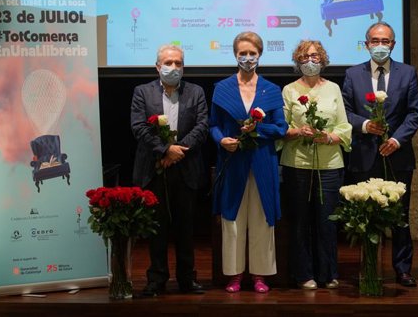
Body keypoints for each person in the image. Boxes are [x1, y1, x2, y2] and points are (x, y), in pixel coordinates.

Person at [342, 22, 418, 287]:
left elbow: (414, 112)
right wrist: (365, 125)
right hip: (364, 155)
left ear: (393, 44)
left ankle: (402, 269)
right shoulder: (353, 74)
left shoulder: (408, 73)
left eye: (385, 41)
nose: (380, 45)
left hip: (398, 156)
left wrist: (397, 140)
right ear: (366, 44)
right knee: (365, 215)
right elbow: (345, 111)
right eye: (375, 40)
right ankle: (369, 267)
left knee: (399, 216)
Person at [210, 31, 288, 293]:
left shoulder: (272, 89)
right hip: (232, 161)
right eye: (242, 53)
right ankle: (233, 275)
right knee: (232, 218)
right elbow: (214, 126)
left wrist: (256, 131)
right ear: (235, 55)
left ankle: (260, 275)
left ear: (260, 55)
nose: (247, 58)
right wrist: (222, 141)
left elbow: (280, 127)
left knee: (262, 218)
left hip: (262, 161)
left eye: (252, 53)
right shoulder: (222, 88)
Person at [131, 44, 209, 296]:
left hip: (186, 169)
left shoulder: (196, 92)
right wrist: (165, 150)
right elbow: (139, 128)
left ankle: (187, 279)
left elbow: (202, 126)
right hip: (153, 169)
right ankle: (156, 280)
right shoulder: (142, 92)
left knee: (186, 228)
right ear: (157, 66)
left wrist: (176, 152)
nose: (173, 67)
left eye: (178, 63)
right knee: (157, 228)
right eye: (168, 63)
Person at [280, 40, 352, 290]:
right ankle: (303, 274)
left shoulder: (333, 88)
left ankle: (328, 273)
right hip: (297, 163)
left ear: (323, 59)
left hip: (330, 164)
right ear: (297, 61)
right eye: (304, 57)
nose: (310, 61)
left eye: (315, 56)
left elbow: (344, 125)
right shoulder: (289, 90)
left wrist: (330, 137)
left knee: (326, 220)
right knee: (300, 221)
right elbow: (281, 128)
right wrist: (298, 131)